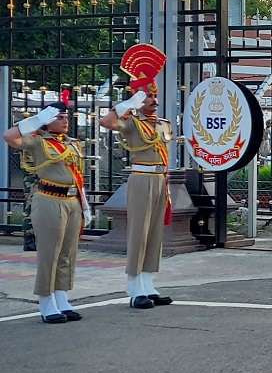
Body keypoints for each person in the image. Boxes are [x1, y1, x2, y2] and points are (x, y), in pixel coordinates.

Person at [100, 43, 173, 309]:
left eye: (154, 96)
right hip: (141, 179)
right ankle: (134, 287)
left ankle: (148, 283)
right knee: (138, 233)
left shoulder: (164, 123)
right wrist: (129, 104)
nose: (153, 101)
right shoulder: (131, 122)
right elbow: (106, 122)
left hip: (160, 180)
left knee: (154, 233)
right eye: (148, 97)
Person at [4, 97, 89, 323]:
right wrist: (36, 120)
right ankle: (45, 301)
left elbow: (78, 176)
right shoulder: (38, 141)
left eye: (66, 117)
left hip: (71, 200)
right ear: (47, 121)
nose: (65, 121)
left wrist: (84, 203)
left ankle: (62, 298)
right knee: (49, 253)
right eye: (59, 118)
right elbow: (10, 137)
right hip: (49, 198)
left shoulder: (72, 143)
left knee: (67, 254)